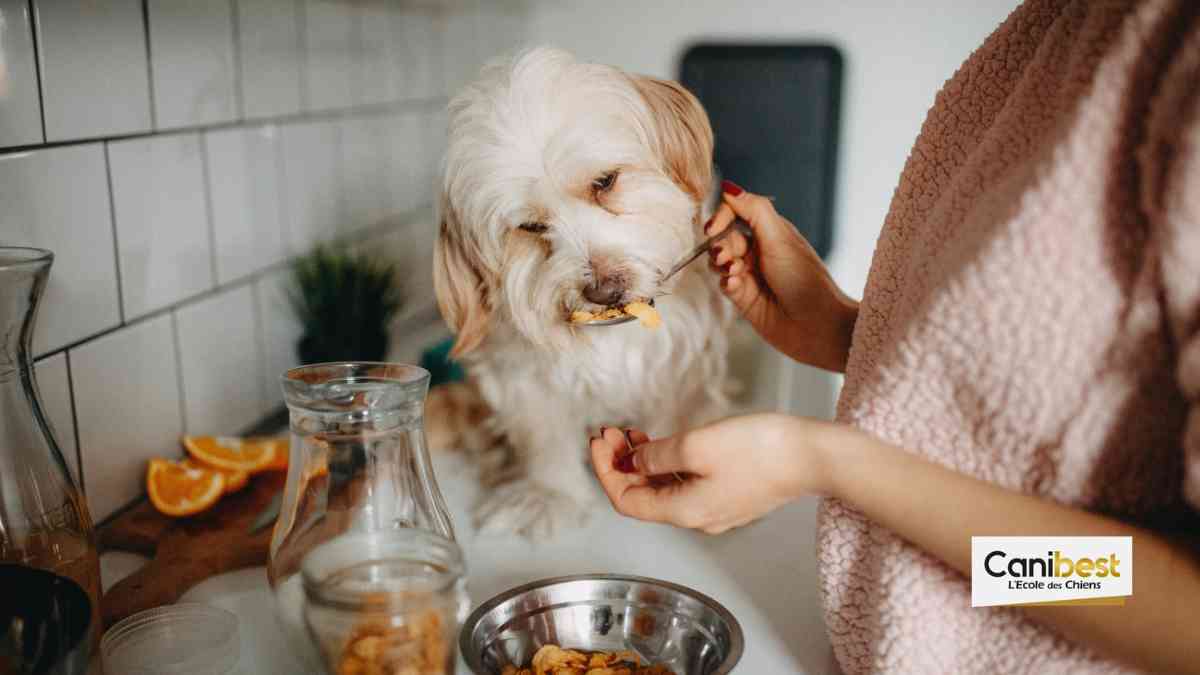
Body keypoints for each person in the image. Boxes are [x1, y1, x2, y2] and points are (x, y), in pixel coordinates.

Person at [588, 1, 1200, 673]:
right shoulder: (1053, 28)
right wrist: (846, 332)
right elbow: (1044, 422)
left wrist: (821, 461)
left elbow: (1179, 615)